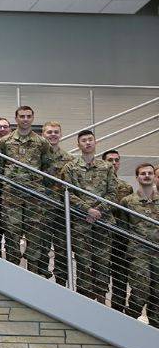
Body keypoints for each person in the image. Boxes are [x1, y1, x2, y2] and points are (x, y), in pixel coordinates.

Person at [61, 130, 117, 304]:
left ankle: (100, 301)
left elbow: (113, 193)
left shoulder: (106, 167)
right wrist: (88, 210)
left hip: (104, 221)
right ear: (78, 145)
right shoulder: (70, 167)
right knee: (83, 261)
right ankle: (83, 301)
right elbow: (67, 192)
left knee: (102, 262)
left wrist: (98, 211)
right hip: (80, 221)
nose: (87, 143)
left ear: (95, 142)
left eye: (90, 140)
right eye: (83, 140)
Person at [0, 106, 53, 277]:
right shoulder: (5, 141)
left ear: (33, 118)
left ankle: (34, 276)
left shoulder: (42, 142)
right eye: (22, 116)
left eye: (28, 116)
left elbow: (47, 168)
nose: (25, 119)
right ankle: (13, 276)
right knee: (12, 233)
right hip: (11, 195)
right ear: (16, 118)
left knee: (34, 235)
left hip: (34, 196)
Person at [120, 163, 158, 324]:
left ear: (154, 177)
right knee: (141, 288)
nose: (147, 176)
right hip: (139, 252)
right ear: (137, 177)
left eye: (150, 173)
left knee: (157, 293)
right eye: (143, 173)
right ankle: (130, 319)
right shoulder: (128, 201)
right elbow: (122, 226)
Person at [40, 121, 75, 284]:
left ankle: (62, 283)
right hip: (40, 208)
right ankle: (41, 280)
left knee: (62, 249)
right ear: (43, 134)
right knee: (40, 246)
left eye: (56, 132)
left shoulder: (69, 160)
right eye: (49, 132)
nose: (53, 135)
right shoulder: (37, 155)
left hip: (62, 209)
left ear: (60, 135)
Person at [100, 148, 133, 313]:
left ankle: (117, 312)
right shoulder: (97, 183)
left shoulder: (126, 188)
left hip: (120, 238)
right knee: (100, 276)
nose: (114, 163)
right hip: (100, 236)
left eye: (116, 160)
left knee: (120, 278)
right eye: (110, 160)